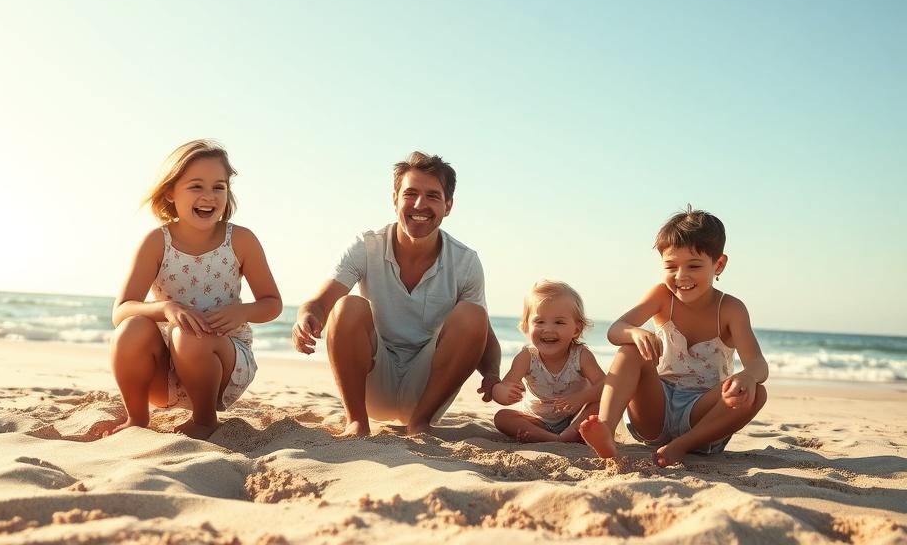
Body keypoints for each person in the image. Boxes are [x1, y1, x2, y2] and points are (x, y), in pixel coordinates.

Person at [291, 151, 501, 436]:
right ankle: (357, 423)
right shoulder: (366, 247)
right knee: (347, 306)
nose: (419, 204)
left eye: (432, 196)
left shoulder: (465, 261)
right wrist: (306, 318)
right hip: (374, 380)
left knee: (473, 314)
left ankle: (419, 425)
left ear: (448, 205)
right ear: (395, 199)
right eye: (410, 193)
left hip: (428, 391)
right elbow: (319, 303)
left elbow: (482, 332)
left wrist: (491, 375)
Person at [108, 140, 282, 440]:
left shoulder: (240, 240)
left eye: (219, 187)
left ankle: (204, 419)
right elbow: (121, 311)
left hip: (223, 363)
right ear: (170, 193)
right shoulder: (155, 242)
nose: (209, 197)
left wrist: (241, 311)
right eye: (196, 186)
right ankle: (137, 418)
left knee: (190, 334)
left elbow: (272, 303)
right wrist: (165, 309)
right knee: (131, 329)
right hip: (166, 372)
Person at [579, 207, 768, 466]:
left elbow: (758, 364)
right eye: (671, 266)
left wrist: (746, 376)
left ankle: (681, 446)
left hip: (704, 416)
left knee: (757, 392)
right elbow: (615, 330)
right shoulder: (661, 296)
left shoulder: (731, 309)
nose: (681, 276)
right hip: (656, 409)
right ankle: (606, 431)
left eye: (694, 265)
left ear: (719, 265)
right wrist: (634, 332)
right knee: (629, 349)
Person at [492, 280, 605, 443]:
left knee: (600, 405)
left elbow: (606, 385)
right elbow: (504, 387)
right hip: (538, 421)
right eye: (539, 322)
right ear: (526, 326)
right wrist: (503, 393)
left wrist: (581, 398)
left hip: (576, 418)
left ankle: (570, 433)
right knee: (502, 417)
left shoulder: (581, 355)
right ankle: (554, 438)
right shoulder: (526, 357)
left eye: (559, 322)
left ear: (576, 329)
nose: (548, 329)